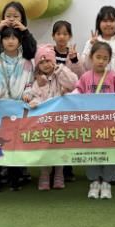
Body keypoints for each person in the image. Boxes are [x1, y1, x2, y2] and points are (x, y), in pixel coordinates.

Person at [81, 5, 115, 185]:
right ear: (99, 23)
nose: (108, 24)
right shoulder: (91, 42)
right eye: (104, 20)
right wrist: (91, 45)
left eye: (112, 20)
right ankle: (96, 171)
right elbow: (84, 67)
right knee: (97, 135)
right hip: (94, 102)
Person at [0, 26, 34, 192]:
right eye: (6, 38)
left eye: (14, 38)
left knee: (15, 144)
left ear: (19, 41)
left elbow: (30, 84)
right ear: (1, 41)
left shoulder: (26, 63)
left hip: (18, 109)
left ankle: (15, 178)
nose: (10, 41)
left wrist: (27, 94)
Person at [74, 42, 115, 199]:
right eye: (98, 57)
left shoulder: (113, 76)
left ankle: (107, 182)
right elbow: (77, 92)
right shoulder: (85, 77)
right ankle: (94, 181)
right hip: (90, 124)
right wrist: (67, 96)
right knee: (92, 152)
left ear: (109, 60)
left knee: (110, 151)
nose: (101, 61)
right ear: (91, 57)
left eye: (105, 58)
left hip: (109, 124)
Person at [26, 44, 77, 190]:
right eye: (41, 62)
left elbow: (74, 83)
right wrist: (34, 102)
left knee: (60, 147)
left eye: (48, 60)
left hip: (61, 121)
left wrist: (59, 70)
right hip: (45, 122)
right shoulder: (38, 81)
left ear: (53, 61)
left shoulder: (61, 72)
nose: (45, 65)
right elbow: (36, 96)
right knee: (44, 148)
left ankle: (59, 174)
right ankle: (44, 174)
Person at [51, 19, 83, 182]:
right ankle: (51, 168)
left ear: (70, 36)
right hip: (51, 98)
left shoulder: (73, 54)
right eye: (58, 33)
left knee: (68, 134)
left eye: (65, 34)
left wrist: (75, 60)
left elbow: (80, 76)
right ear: (53, 36)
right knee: (52, 134)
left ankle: (67, 169)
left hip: (68, 99)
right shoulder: (48, 52)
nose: (62, 37)